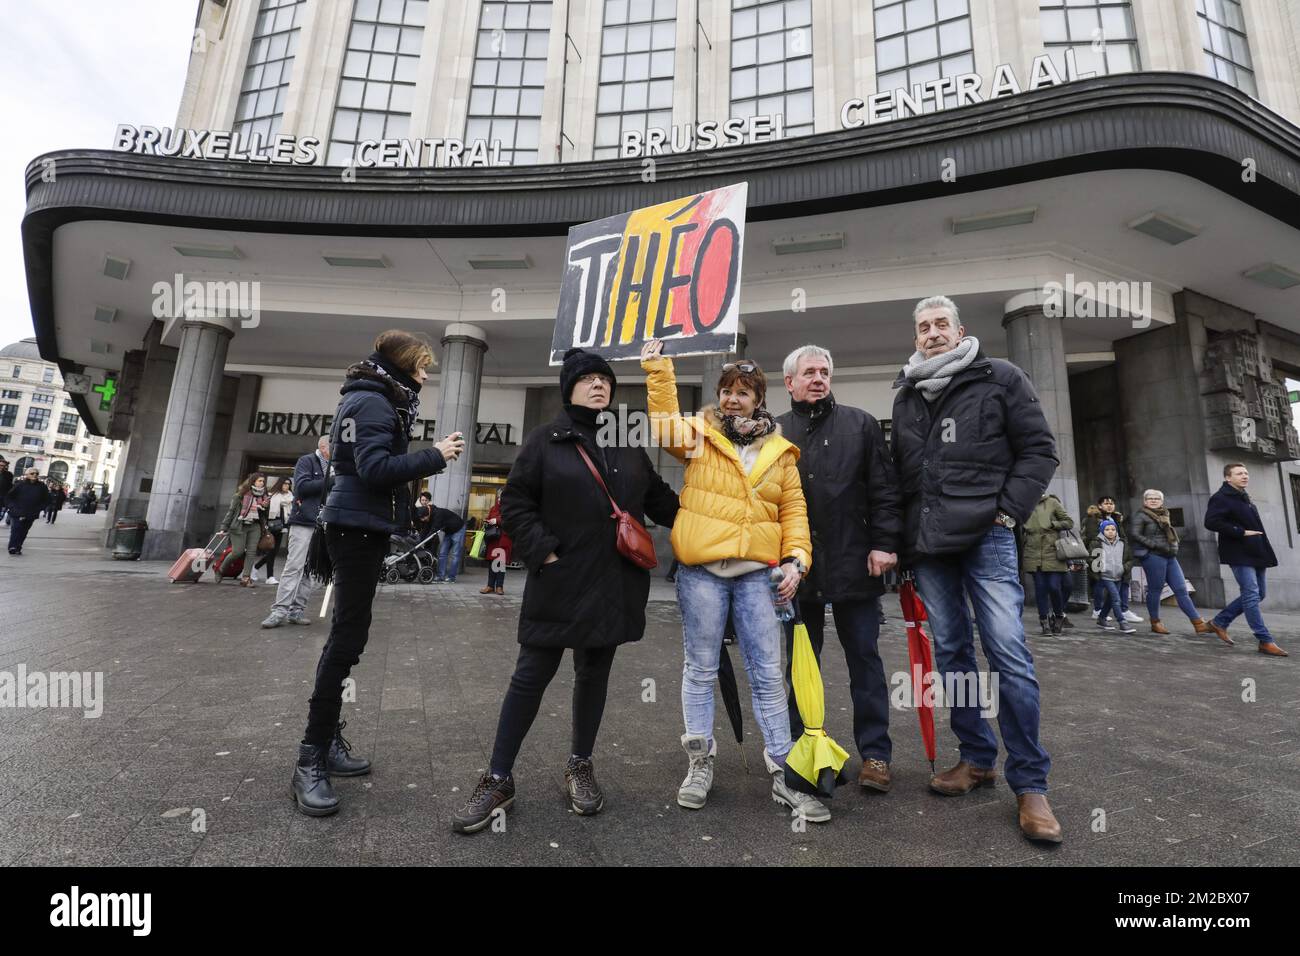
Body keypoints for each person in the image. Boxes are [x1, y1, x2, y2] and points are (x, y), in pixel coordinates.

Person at [451, 347, 678, 833]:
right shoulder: (544, 440)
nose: (600, 385)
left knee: (594, 673)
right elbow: (514, 502)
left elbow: (661, 499)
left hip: (614, 583)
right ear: (569, 388)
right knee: (531, 674)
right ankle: (497, 776)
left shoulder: (627, 441)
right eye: (588, 378)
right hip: (559, 580)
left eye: (605, 379)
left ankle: (580, 764)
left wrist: (717, 520)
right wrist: (545, 553)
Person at [891, 294, 1062, 843]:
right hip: (931, 547)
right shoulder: (907, 392)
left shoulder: (1001, 376)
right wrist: (902, 545)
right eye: (924, 327)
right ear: (916, 337)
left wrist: (1007, 511)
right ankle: (977, 757)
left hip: (988, 536)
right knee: (952, 652)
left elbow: (1039, 451)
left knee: (1008, 652)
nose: (933, 333)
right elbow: (902, 476)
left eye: (942, 324)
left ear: (960, 329)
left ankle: (1031, 783)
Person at [638, 338, 830, 824]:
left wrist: (796, 561)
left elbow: (794, 512)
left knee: (768, 673)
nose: (731, 398)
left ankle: (785, 771)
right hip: (701, 572)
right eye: (726, 390)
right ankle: (699, 761)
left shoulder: (782, 453)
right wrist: (659, 369)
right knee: (700, 668)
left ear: (758, 399)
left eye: (742, 392)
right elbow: (661, 424)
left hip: (759, 578)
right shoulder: (699, 435)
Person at [291, 330, 464, 817]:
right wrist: (435, 456)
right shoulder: (373, 403)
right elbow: (372, 468)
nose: (427, 377)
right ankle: (311, 756)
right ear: (403, 366)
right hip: (354, 529)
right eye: (423, 368)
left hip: (358, 525)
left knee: (349, 636)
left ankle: (325, 742)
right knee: (346, 639)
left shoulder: (370, 397)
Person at [775, 344, 902, 793]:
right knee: (800, 664)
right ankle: (803, 747)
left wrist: (885, 543)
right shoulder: (774, 432)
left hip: (855, 564)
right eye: (808, 372)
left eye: (824, 371)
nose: (818, 378)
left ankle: (875, 756)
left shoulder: (861, 424)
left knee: (864, 661)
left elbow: (884, 490)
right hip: (798, 571)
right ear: (789, 382)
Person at [1205, 464, 1287, 657]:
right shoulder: (1221, 497)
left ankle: (1219, 622)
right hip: (1239, 552)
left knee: (1260, 594)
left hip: (1256, 551)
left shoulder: (1243, 497)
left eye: (1246, 473)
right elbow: (1211, 522)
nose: (1245, 476)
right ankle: (1265, 640)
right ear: (1228, 478)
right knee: (1251, 594)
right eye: (1239, 473)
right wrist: (1240, 532)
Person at [262, 437, 331, 629]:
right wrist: (330, 480)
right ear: (324, 447)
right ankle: (279, 611)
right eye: (335, 446)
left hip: (323, 526)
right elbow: (302, 487)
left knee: (310, 570)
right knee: (294, 567)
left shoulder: (337, 465)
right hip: (304, 522)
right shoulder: (307, 461)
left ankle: (297, 610)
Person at [1131, 489, 1212, 637]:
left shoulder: (1165, 514)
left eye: (1157, 498)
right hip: (1153, 556)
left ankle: (1198, 623)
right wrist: (1154, 545)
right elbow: (1135, 534)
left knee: (1181, 589)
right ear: (1145, 501)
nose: (1153, 500)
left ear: (1161, 501)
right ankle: (1155, 622)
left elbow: (1169, 534)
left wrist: (1174, 546)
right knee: (1156, 590)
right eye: (1150, 498)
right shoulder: (1141, 515)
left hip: (1170, 556)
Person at [1021, 493, 1075, 635]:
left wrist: (1053, 524)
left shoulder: (1052, 502)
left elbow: (1069, 522)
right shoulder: (1023, 501)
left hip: (1052, 550)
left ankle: (1058, 616)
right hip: (1033, 549)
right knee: (1040, 589)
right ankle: (1044, 622)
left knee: (1054, 586)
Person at [1085, 496, 1141, 624]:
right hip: (1103, 554)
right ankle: (1099, 610)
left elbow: (1122, 536)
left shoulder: (1116, 518)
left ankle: (1123, 610)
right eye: (1106, 503)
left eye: (1111, 503)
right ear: (1100, 506)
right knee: (1100, 583)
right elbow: (1091, 538)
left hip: (1119, 553)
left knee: (1124, 580)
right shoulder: (1094, 519)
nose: (1109, 505)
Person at [218, 473, 271, 587]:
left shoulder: (264, 497)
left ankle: (246, 578)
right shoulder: (240, 496)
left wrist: (264, 506)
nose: (262, 483)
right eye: (260, 481)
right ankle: (221, 569)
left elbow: (265, 515)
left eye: (263, 481)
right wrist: (223, 528)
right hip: (240, 525)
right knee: (237, 552)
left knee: (251, 552)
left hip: (255, 526)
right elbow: (231, 512)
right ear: (253, 482)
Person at [1090, 519, 1136, 634]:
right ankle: (1122, 622)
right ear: (1102, 530)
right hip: (1105, 576)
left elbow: (1130, 559)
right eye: (1107, 529)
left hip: (1119, 576)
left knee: (1110, 600)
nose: (1110, 532)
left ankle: (1101, 619)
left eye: (1113, 529)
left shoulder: (1122, 543)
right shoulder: (1097, 542)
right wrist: (1100, 569)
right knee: (1116, 599)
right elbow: (1092, 560)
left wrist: (1124, 568)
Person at [252, 477, 294, 584]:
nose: (286, 485)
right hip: (271, 526)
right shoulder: (272, 496)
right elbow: (264, 511)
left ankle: (255, 568)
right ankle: (269, 577)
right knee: (271, 551)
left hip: (282, 527)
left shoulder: (290, 497)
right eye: (284, 483)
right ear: (280, 484)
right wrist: (264, 525)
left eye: (288, 484)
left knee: (273, 552)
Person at [5, 467, 50, 555]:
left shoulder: (42, 486)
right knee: (16, 529)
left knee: (24, 531)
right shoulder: (20, 484)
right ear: (27, 475)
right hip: (17, 511)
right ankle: (12, 547)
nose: (35, 475)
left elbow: (47, 500)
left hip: (31, 513)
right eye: (32, 473)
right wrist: (12, 506)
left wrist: (40, 508)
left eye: (36, 473)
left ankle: (18, 547)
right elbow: (9, 497)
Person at [479, 490, 512, 595]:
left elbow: (509, 520)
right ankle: (490, 585)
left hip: (503, 539)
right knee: (492, 563)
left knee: (500, 563)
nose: (500, 498)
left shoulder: (510, 508)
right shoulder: (494, 508)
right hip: (493, 538)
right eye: (499, 496)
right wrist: (488, 521)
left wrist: (496, 521)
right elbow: (490, 518)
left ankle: (499, 586)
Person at [432, 503, 466, 582]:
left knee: (455, 555)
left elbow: (434, 529)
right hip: (449, 531)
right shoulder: (434, 515)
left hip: (458, 529)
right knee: (442, 553)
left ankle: (451, 577)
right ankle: (440, 576)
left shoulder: (438, 514)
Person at [0, 458, 11, 523]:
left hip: (3, 498)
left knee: (1, 515)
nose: (2, 467)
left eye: (3, 466)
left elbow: (9, 486)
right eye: (0, 465)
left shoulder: (9, 475)